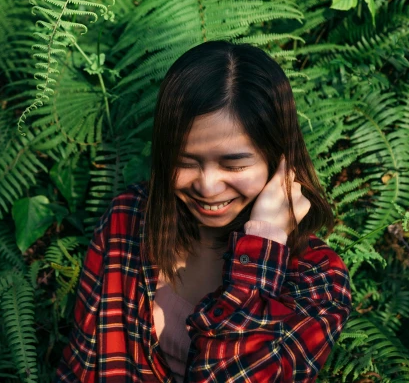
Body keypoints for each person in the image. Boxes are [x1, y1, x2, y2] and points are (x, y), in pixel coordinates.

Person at [54, 41, 353, 382]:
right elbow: (79, 365)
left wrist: (260, 255)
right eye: (185, 162)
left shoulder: (316, 278)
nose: (208, 187)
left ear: (280, 161)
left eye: (234, 165)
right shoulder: (129, 220)